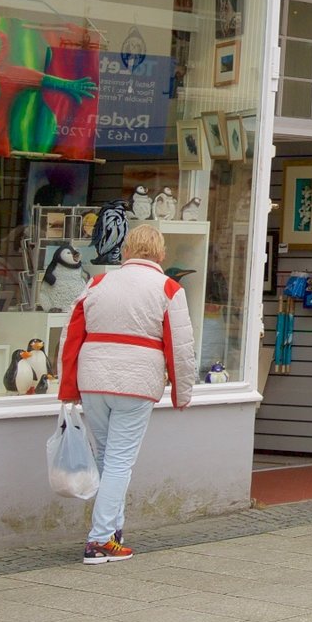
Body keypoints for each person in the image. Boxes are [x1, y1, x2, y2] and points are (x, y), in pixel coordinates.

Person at [57, 222, 197, 563]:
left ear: (126, 251)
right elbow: (180, 346)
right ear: (161, 254)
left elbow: (71, 337)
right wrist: (183, 392)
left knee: (107, 456)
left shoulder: (98, 283)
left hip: (94, 378)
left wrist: (68, 387)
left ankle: (113, 530)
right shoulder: (168, 288)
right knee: (120, 461)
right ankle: (100, 539)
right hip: (137, 380)